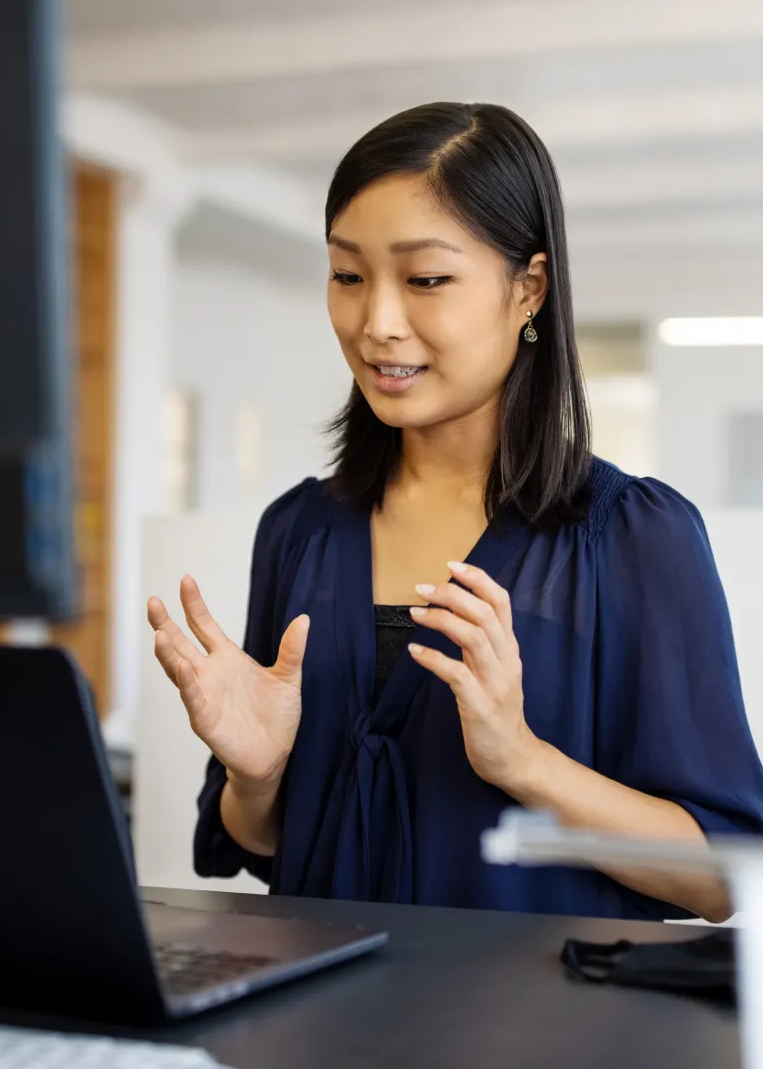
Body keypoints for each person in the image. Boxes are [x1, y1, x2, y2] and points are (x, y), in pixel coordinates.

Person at [146, 102, 763, 923]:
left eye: (426, 279)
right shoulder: (298, 531)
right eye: (347, 275)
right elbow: (257, 843)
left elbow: (724, 877)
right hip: (321, 1033)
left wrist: (524, 761)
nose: (377, 323)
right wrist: (257, 777)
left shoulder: (633, 537)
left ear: (528, 289)